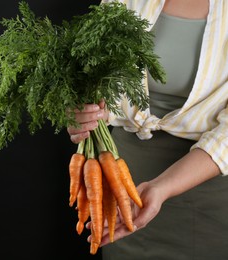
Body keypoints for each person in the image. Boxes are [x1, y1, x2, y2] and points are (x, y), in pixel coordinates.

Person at [67, 0, 228, 259]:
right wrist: (88, 112)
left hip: (208, 193)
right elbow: (103, 81)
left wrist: (162, 188)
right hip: (124, 191)